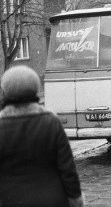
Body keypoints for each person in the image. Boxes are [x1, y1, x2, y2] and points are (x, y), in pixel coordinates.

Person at [0, 65, 83, 207]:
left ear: (5, 90)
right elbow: (68, 169)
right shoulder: (51, 121)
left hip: (11, 200)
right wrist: (76, 199)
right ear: (36, 87)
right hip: (53, 199)